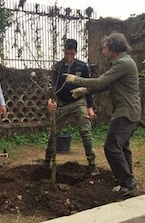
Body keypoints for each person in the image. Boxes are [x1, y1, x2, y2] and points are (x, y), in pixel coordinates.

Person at [65, 32, 141, 195]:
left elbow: (100, 81)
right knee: (122, 147)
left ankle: (128, 182)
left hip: (126, 112)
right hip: (128, 111)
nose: (102, 51)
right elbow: (105, 85)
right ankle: (127, 182)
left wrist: (75, 80)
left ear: (113, 48)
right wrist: (85, 90)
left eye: (105, 48)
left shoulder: (123, 63)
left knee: (112, 147)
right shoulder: (121, 63)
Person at [44, 39, 99, 175]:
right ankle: (47, 161)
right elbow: (52, 87)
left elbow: (89, 87)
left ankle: (92, 164)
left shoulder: (82, 67)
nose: (69, 56)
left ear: (75, 52)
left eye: (72, 54)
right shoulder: (58, 67)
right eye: (67, 53)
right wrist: (50, 100)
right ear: (64, 51)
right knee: (54, 133)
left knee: (85, 133)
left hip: (78, 103)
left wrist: (90, 107)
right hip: (62, 103)